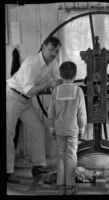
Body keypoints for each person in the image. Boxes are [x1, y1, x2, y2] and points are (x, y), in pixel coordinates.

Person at [6, 36, 62, 183]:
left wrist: (65, 84)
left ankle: (38, 166)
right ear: (43, 47)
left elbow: (57, 81)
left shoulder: (53, 63)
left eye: (56, 51)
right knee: (8, 134)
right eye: (51, 50)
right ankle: (8, 172)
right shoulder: (32, 62)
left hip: (25, 101)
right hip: (12, 97)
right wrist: (49, 84)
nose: (54, 53)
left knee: (38, 129)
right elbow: (30, 90)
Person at [48, 61, 87, 195]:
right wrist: (82, 129)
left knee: (60, 156)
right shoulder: (78, 91)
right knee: (71, 156)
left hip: (59, 129)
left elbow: (51, 113)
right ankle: (70, 187)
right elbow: (82, 113)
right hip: (72, 131)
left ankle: (60, 186)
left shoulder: (55, 91)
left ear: (61, 74)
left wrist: (52, 128)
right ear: (75, 75)